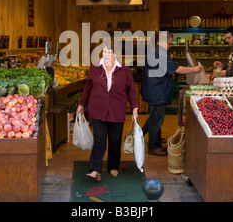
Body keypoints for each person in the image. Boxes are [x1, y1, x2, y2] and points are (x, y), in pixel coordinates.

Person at [76, 40, 139, 181]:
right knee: (99, 139)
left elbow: (131, 90)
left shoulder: (124, 70)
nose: (106, 55)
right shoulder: (95, 67)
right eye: (104, 52)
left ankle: (113, 166)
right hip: (97, 109)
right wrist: (81, 104)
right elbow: (88, 87)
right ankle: (95, 169)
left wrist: (134, 106)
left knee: (115, 140)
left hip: (117, 110)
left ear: (115, 53)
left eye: (109, 52)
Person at [141, 31, 202, 156]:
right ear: (164, 41)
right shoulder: (160, 53)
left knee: (154, 117)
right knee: (156, 120)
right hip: (157, 91)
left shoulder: (155, 51)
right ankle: (153, 147)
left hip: (154, 90)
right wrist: (194, 69)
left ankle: (150, 140)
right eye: (170, 43)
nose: (170, 46)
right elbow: (177, 69)